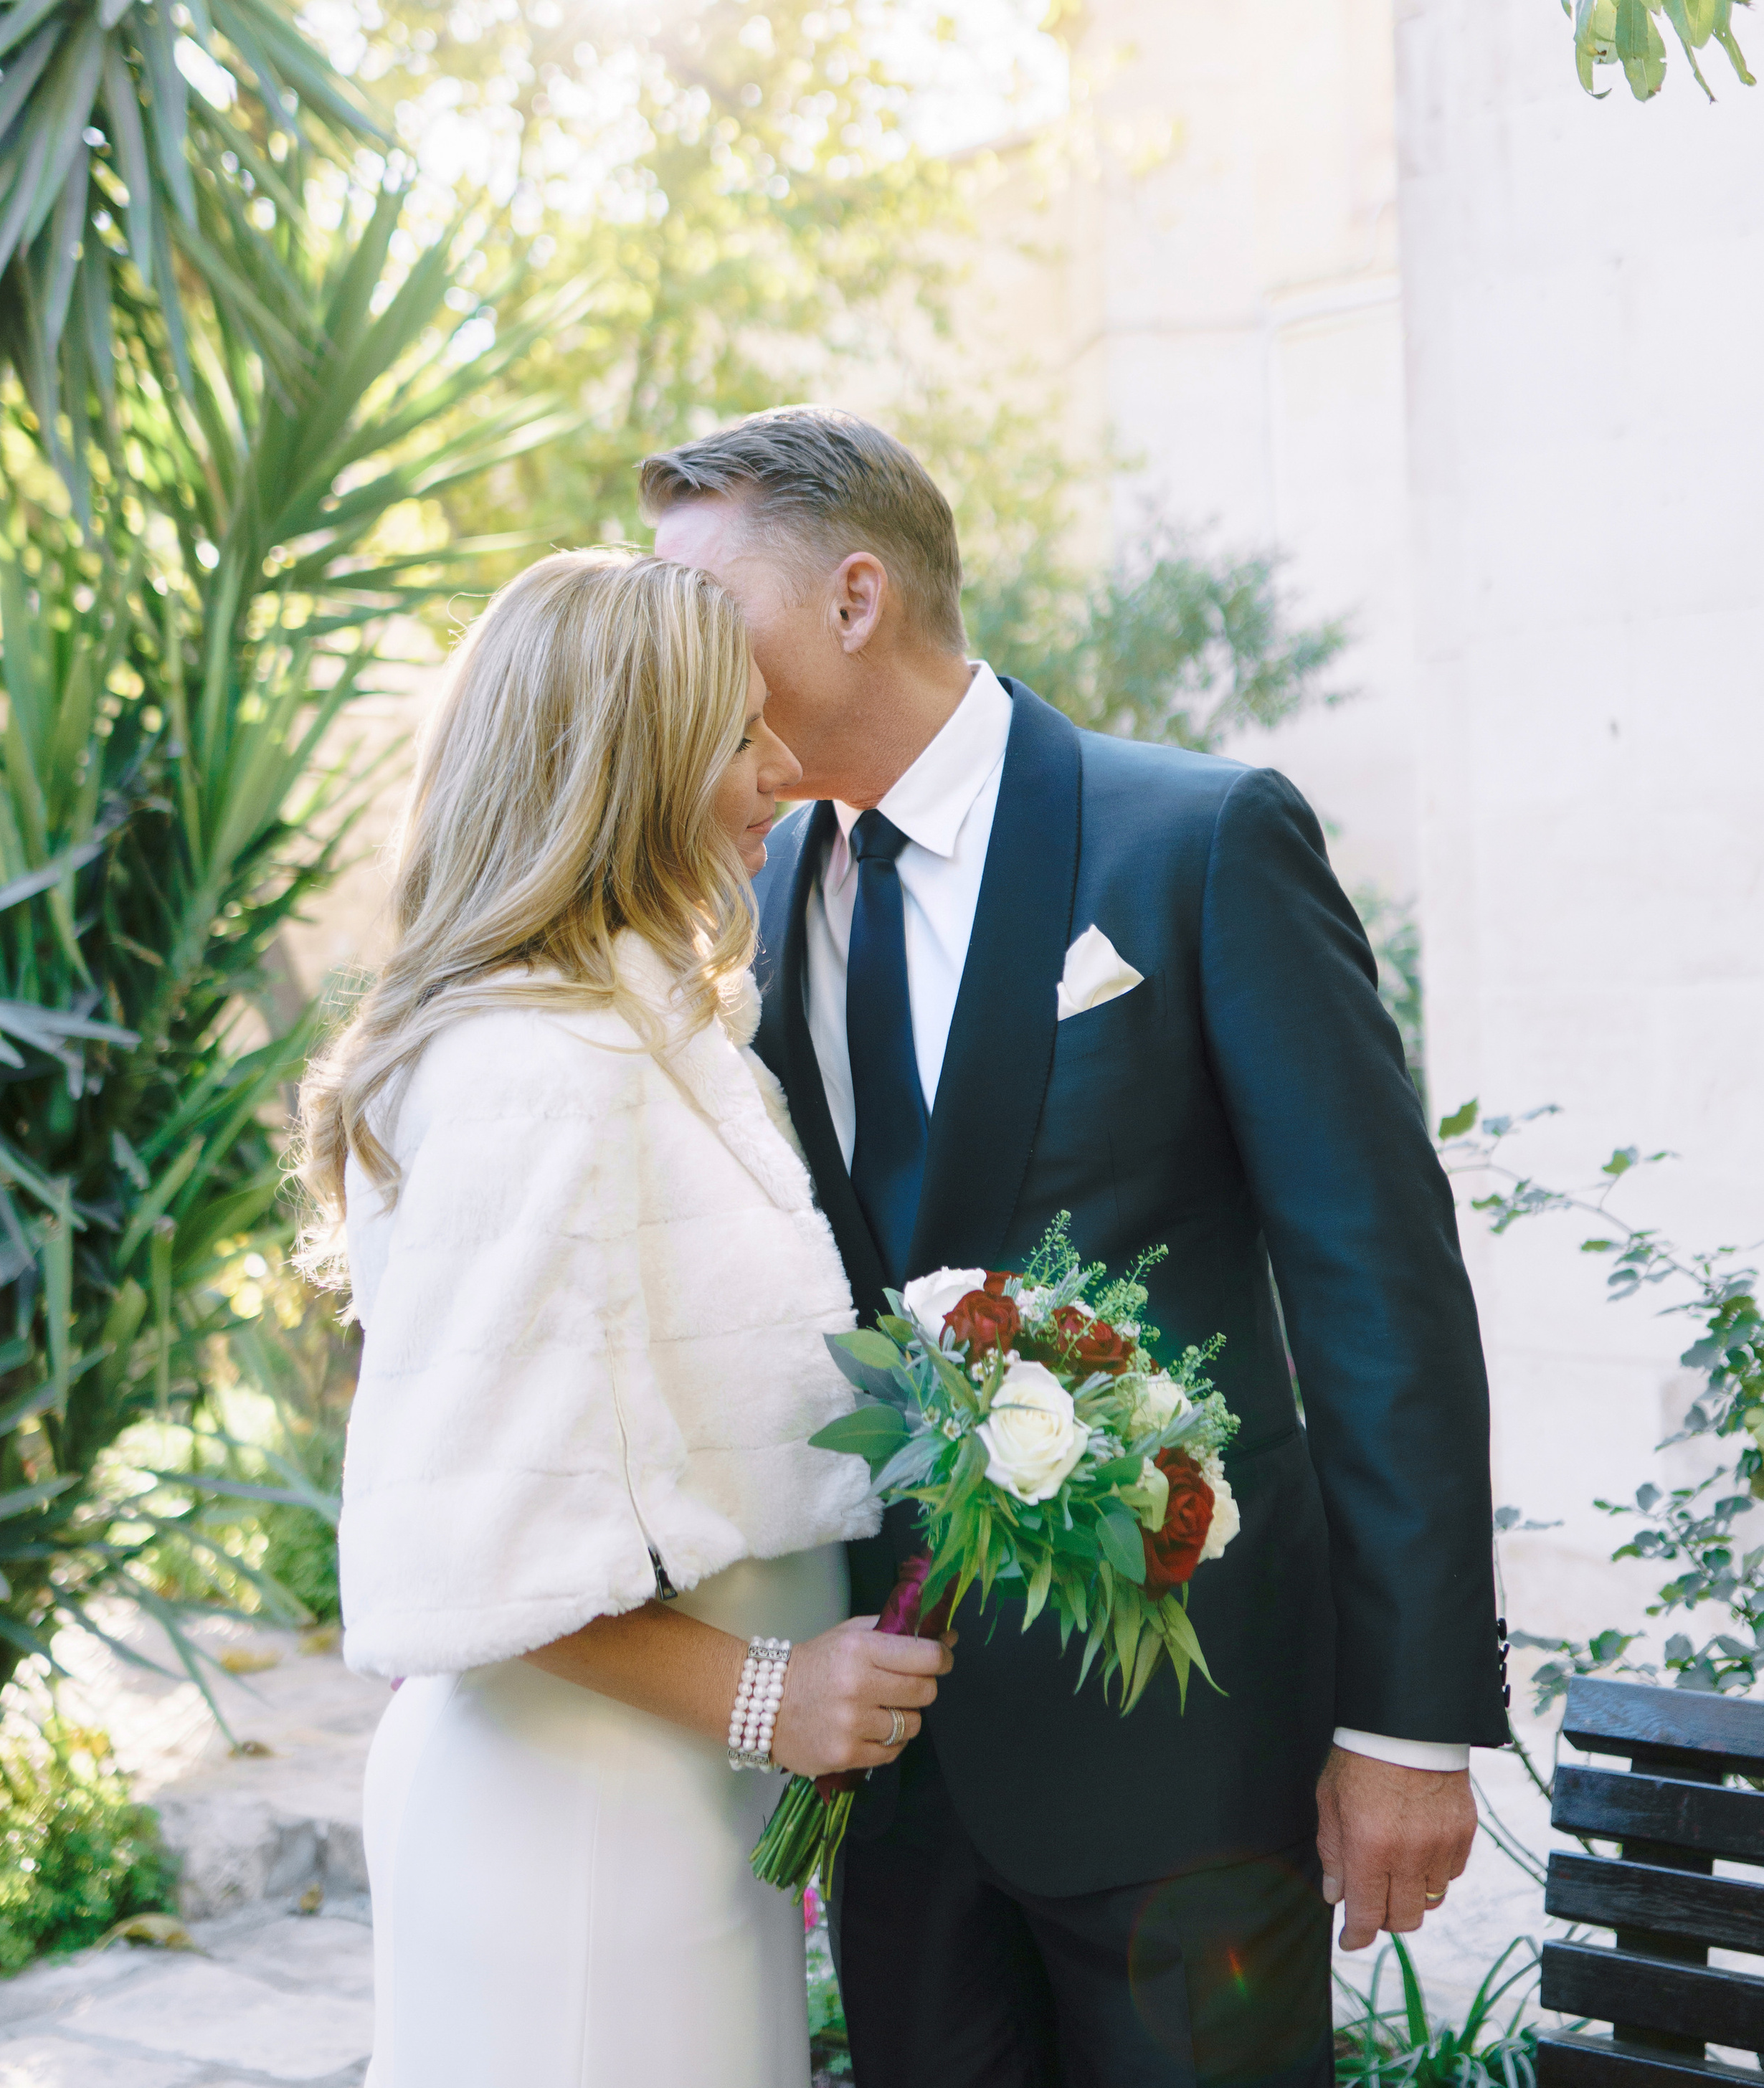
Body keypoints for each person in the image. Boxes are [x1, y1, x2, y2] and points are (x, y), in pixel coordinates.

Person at [645, 411, 1511, 2088]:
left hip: (1182, 1756)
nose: (660, 648)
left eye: (697, 601)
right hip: (883, 1763)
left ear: (850, 597)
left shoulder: (1195, 842)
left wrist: (1405, 1723)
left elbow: (1378, 1291)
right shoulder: (726, 904)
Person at [295, 549, 954, 2088]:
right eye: (736, 738)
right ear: (624, 769)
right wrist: (770, 1694)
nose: (781, 771)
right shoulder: (535, 1070)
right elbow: (467, 1556)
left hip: (662, 1818)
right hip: (575, 1838)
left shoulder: (638, 1026)